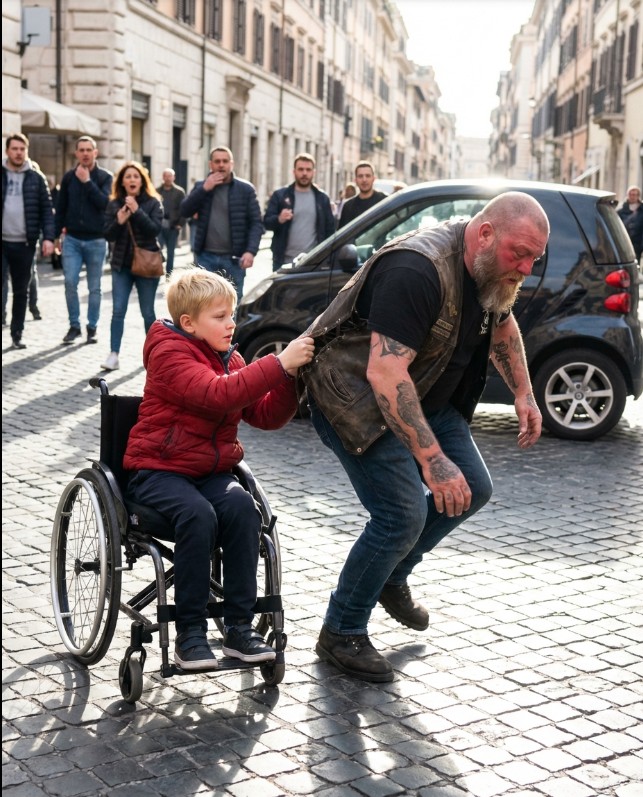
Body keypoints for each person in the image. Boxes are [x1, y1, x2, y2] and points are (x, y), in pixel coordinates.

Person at [301, 192, 550, 683]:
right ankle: (341, 631)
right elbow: (385, 372)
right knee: (401, 516)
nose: (524, 269)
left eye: (534, 260)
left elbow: (502, 326)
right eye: (519, 254)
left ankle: (392, 574)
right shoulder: (417, 269)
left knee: (473, 488)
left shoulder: (487, 269)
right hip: (357, 401)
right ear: (485, 234)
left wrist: (524, 391)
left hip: (429, 397)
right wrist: (433, 461)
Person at [123, 268, 315, 670]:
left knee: (244, 509)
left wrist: (290, 379)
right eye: (220, 316)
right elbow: (216, 394)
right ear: (189, 322)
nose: (231, 324)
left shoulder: (233, 358)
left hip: (210, 474)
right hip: (158, 470)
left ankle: (239, 628)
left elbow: (265, 416)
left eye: (231, 315)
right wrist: (278, 363)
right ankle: (190, 634)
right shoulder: (168, 352)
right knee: (197, 514)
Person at [101, 161, 164, 371]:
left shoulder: (153, 203)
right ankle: (113, 355)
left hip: (147, 264)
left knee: (148, 312)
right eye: (128, 177)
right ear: (122, 182)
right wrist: (119, 221)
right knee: (118, 311)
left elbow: (154, 230)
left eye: (136, 176)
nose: (132, 180)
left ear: (142, 181)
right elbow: (108, 234)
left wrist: (137, 211)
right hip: (122, 266)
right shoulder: (114, 204)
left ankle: (155, 355)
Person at [179, 146, 262, 301]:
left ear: (232, 164)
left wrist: (250, 251)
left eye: (225, 161)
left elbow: (256, 223)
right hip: (205, 257)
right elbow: (184, 211)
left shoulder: (245, 189)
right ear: (210, 164)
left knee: (232, 304)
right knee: (204, 303)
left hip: (234, 259)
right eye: (217, 161)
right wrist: (204, 189)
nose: (221, 165)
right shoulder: (201, 186)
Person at [55, 136, 113, 345]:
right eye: (82, 150)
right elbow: (60, 208)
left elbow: (105, 205)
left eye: (89, 150)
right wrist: (54, 236)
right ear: (76, 153)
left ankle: (92, 327)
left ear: (95, 153)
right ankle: (74, 326)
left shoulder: (105, 177)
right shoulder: (68, 177)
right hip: (72, 239)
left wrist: (87, 182)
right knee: (70, 282)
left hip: (97, 240)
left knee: (94, 287)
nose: (86, 153)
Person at [1, 133, 55, 349]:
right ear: (7, 151)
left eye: (22, 149)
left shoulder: (36, 177)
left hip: (25, 244)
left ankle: (17, 333)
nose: (18, 153)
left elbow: (46, 210)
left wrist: (48, 238)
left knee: (21, 291)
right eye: (14, 149)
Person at [263, 153, 336, 271]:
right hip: (283, 261)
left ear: (314, 172)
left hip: (313, 262)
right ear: (294, 171)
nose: (304, 173)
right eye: (301, 169)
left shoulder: (322, 198)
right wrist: (279, 219)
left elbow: (330, 231)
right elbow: (266, 223)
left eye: (308, 170)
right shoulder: (280, 195)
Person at [337, 161, 387, 228]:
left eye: (368, 176)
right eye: (360, 176)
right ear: (355, 180)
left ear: (373, 178)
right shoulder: (348, 207)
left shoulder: (384, 201)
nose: (364, 180)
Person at [156, 168, 186, 276]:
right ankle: (157, 271)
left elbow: (184, 209)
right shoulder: (157, 191)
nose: (168, 178)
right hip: (159, 225)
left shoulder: (179, 192)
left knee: (170, 252)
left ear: (174, 177)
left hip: (173, 226)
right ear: (163, 177)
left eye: (170, 176)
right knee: (157, 250)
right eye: (166, 176)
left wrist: (180, 224)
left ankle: (169, 275)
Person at [617, 185, 642, 262]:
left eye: (635, 194)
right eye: (631, 194)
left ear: (638, 196)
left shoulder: (641, 210)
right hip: (624, 242)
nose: (633, 196)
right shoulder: (621, 210)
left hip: (638, 243)